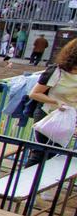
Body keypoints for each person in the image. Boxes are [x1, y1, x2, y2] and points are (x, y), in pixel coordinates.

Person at [26, 38, 77, 166]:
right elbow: (34, 93)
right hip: (47, 114)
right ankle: (23, 183)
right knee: (40, 154)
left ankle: (35, 182)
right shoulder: (57, 71)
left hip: (68, 118)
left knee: (52, 154)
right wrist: (56, 102)